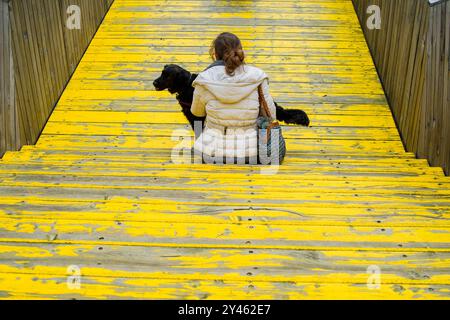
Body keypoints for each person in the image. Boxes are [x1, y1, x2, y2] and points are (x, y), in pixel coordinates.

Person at [191, 32, 277, 164]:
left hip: (211, 152)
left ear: (215, 54)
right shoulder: (257, 76)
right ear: (240, 52)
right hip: (252, 152)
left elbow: (196, 112)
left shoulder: (204, 79)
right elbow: (272, 114)